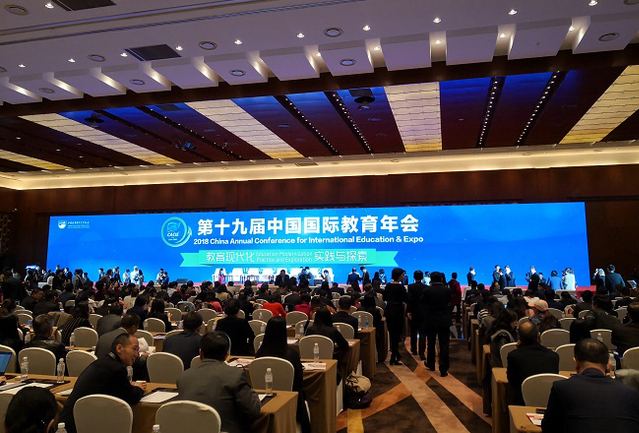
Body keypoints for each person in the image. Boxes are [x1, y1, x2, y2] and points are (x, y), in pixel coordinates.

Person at [541, 338, 639, 432]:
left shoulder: (562, 389)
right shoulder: (631, 393)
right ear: (608, 365)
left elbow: (549, 428)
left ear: (576, 363)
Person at [59, 333, 146, 433]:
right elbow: (132, 398)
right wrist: (139, 388)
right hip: (75, 427)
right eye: (134, 349)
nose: (137, 354)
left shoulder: (104, 362)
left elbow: (114, 386)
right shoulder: (116, 369)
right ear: (119, 348)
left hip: (72, 422)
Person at [176, 331, 261, 433]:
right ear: (226, 355)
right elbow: (253, 410)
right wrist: (253, 393)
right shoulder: (235, 375)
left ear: (200, 353)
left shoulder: (183, 377)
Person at [256, 317, 311, 433]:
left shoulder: (260, 354)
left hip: (263, 401)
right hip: (292, 401)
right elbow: (299, 381)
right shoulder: (292, 354)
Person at [507, 320, 559, 405]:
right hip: (549, 402)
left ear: (519, 338)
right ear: (538, 335)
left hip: (522, 402)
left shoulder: (514, 356)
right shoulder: (553, 356)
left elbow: (512, 381)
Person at [422, 272, 452, 376]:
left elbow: (423, 304)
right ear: (441, 279)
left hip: (431, 320)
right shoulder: (447, 290)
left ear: (431, 279)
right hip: (444, 320)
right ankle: (444, 368)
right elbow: (449, 303)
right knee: (444, 344)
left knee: (431, 343)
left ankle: (431, 364)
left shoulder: (427, 290)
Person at [383, 268, 408, 365]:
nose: (403, 276)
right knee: (397, 334)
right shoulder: (401, 287)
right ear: (399, 276)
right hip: (398, 311)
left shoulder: (388, 286)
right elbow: (405, 299)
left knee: (392, 332)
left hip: (389, 310)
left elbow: (385, 297)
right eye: (402, 275)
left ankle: (395, 353)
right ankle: (394, 355)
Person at [407, 270, 427, 358]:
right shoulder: (426, 288)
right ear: (422, 277)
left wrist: (408, 311)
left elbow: (409, 300)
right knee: (423, 333)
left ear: (414, 277)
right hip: (423, 312)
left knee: (413, 332)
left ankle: (414, 349)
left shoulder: (411, 287)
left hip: (414, 312)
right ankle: (422, 352)